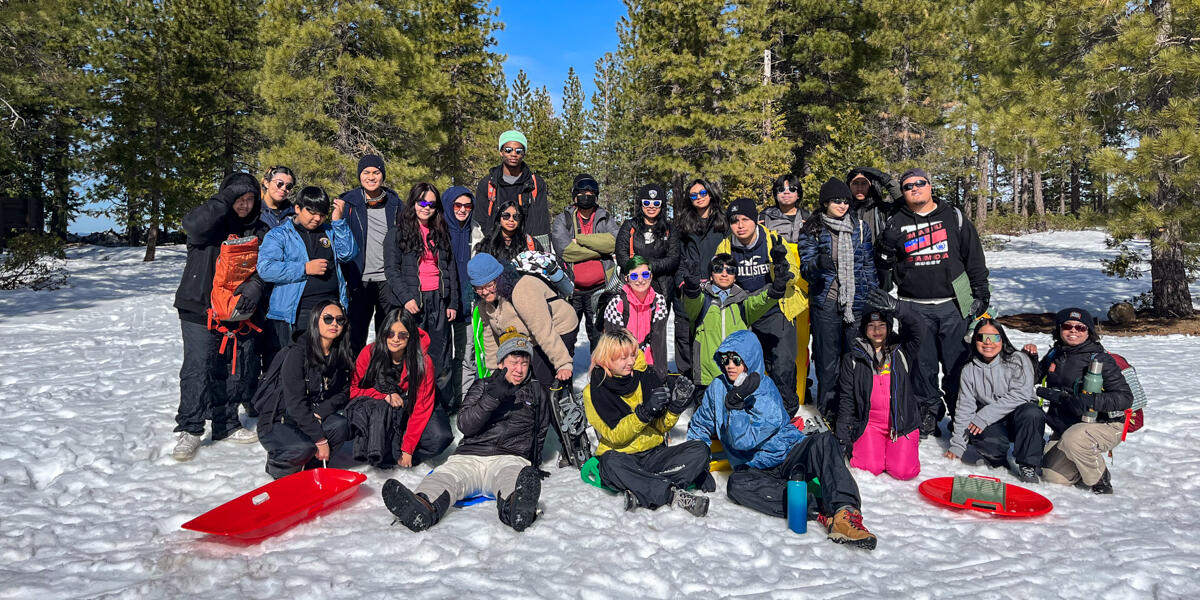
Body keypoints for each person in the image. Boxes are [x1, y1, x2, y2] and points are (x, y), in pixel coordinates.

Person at [687, 330, 877, 550]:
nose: (730, 365)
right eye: (725, 359)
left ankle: (845, 513)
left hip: (787, 454)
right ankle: (819, 509)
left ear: (749, 359)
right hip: (754, 467)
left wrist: (736, 405)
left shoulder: (764, 388)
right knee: (737, 486)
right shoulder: (718, 388)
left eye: (736, 360)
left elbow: (743, 440)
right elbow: (700, 425)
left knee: (825, 441)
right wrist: (698, 463)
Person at [382, 330, 548, 532]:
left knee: (511, 478)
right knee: (446, 477)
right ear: (501, 362)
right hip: (470, 455)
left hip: (510, 456)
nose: (519, 369)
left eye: (524, 363)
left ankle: (518, 509)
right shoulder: (483, 385)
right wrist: (492, 397)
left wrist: (535, 463)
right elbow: (465, 425)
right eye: (514, 362)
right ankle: (421, 507)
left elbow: (540, 428)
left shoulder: (536, 390)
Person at [879, 167, 990, 437]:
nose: (914, 188)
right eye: (907, 186)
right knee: (921, 366)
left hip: (952, 304)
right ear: (903, 193)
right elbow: (884, 269)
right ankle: (928, 412)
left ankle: (960, 414)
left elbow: (973, 258)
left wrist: (981, 293)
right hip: (913, 304)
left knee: (957, 365)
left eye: (920, 183)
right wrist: (885, 248)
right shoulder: (895, 220)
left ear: (930, 186)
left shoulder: (953, 217)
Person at [171, 172, 268, 461]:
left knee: (232, 368)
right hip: (198, 306)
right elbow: (192, 226)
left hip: (236, 309)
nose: (244, 204)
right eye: (238, 198)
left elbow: (266, 264)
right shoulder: (208, 225)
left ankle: (226, 423)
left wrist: (255, 286)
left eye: (249, 199)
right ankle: (191, 428)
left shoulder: (258, 229)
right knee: (197, 368)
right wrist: (225, 198)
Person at [584, 329, 712, 515]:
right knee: (610, 463)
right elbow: (614, 435)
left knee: (700, 450)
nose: (630, 362)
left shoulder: (645, 377)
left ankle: (642, 489)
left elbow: (660, 427)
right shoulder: (593, 391)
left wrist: (675, 407)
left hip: (654, 454)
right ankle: (671, 495)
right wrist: (644, 412)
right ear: (605, 359)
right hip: (623, 457)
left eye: (632, 355)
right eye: (622, 357)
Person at [1024, 308, 1133, 494]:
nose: (1073, 330)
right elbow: (1033, 379)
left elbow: (1125, 398)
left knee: (1074, 439)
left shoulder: (1100, 359)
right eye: (1067, 326)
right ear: (1059, 329)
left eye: (1080, 327)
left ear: (1089, 331)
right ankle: (1081, 459)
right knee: (1054, 478)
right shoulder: (1055, 354)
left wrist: (1089, 401)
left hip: (1105, 425)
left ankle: (1100, 478)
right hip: (1066, 426)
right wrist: (1031, 359)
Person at [716, 197, 807, 416]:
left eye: (745, 219)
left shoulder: (773, 240)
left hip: (776, 309)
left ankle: (788, 410)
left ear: (756, 220)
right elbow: (720, 278)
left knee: (782, 365)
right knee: (745, 365)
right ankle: (752, 408)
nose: (740, 225)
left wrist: (781, 267)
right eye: (735, 220)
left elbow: (793, 276)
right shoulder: (726, 246)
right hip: (745, 311)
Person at [799, 178, 878, 419]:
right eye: (837, 201)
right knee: (827, 360)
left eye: (846, 201)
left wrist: (872, 299)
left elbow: (867, 266)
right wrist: (817, 265)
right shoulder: (812, 229)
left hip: (856, 301)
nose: (842, 205)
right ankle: (828, 411)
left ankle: (852, 407)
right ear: (825, 203)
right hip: (826, 301)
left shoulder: (860, 228)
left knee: (854, 356)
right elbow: (805, 270)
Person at [252, 300, 353, 479]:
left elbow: (344, 392)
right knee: (302, 447)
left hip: (312, 414)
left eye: (340, 320)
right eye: (328, 319)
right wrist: (320, 440)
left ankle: (310, 469)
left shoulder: (340, 353)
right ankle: (280, 469)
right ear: (315, 320)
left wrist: (321, 411)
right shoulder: (297, 354)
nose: (334, 324)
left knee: (340, 425)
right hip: (279, 419)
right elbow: (294, 403)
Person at [384, 182, 460, 409]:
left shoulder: (440, 233)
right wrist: (406, 298)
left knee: (441, 355)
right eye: (422, 202)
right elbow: (391, 270)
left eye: (432, 204)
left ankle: (440, 407)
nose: (426, 208)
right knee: (410, 354)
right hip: (412, 303)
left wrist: (452, 302)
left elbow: (451, 269)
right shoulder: (397, 234)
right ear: (414, 202)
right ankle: (410, 404)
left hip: (438, 299)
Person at [347, 309, 453, 468]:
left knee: (439, 437)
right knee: (380, 455)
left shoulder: (423, 361)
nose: (395, 339)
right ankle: (391, 446)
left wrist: (408, 448)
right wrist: (383, 396)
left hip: (416, 405)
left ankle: (403, 449)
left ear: (410, 336)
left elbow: (422, 406)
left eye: (402, 335)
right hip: (384, 407)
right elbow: (354, 391)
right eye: (390, 333)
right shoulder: (369, 353)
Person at [835, 293, 923, 481]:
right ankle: (871, 447)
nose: (877, 330)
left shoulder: (901, 350)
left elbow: (919, 326)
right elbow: (847, 397)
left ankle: (896, 449)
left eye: (882, 325)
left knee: (904, 472)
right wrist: (843, 432)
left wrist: (898, 307)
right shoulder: (853, 357)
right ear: (864, 328)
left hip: (901, 424)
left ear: (889, 327)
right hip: (870, 424)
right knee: (868, 468)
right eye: (872, 326)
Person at [946, 319, 1044, 483]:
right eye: (982, 338)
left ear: (1003, 339)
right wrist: (957, 445)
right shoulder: (969, 370)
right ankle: (997, 460)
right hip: (994, 421)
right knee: (979, 432)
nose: (988, 343)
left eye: (995, 337)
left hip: (1019, 417)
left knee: (1032, 413)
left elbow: (1021, 395)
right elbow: (965, 407)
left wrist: (983, 416)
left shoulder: (1018, 360)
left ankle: (1028, 465)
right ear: (975, 341)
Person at [467, 253, 578, 392]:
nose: (484, 292)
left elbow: (543, 330)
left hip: (558, 328)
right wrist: (494, 370)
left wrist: (563, 363)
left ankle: (559, 406)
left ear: (499, 279)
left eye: (489, 285)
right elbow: (490, 336)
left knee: (544, 382)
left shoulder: (522, 290)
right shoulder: (484, 304)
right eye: (479, 287)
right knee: (524, 381)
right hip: (529, 336)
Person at [682, 253, 789, 394]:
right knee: (709, 415)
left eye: (730, 270)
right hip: (708, 379)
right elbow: (691, 302)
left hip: (737, 377)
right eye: (718, 269)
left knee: (737, 415)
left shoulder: (742, 302)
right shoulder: (702, 300)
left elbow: (762, 300)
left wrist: (777, 288)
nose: (724, 274)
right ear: (710, 274)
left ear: (735, 276)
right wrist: (691, 287)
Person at [258, 186, 356, 340]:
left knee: (329, 362)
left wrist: (338, 222)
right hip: (297, 312)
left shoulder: (330, 231)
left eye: (322, 215)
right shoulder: (280, 234)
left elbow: (348, 254)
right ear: (297, 208)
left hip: (331, 310)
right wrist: (304, 268)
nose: (317, 219)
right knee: (296, 360)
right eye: (312, 212)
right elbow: (266, 269)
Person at [340, 155, 403, 352]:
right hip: (360, 278)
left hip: (388, 278)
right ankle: (354, 378)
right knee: (355, 335)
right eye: (366, 172)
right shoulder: (348, 203)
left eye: (376, 172)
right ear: (359, 176)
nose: (371, 177)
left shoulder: (394, 203)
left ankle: (383, 377)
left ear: (382, 176)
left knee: (387, 335)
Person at [551, 173, 619, 351]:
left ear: (596, 195)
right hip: (570, 291)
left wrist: (580, 239)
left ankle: (598, 377)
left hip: (600, 289)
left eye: (590, 193)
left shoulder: (605, 217)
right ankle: (564, 378)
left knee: (599, 339)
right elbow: (566, 251)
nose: (586, 196)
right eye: (581, 192)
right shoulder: (562, 219)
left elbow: (614, 242)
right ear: (574, 195)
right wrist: (599, 249)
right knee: (565, 338)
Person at [674, 178, 727, 381]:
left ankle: (715, 382)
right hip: (690, 289)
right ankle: (687, 384)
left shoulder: (724, 223)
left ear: (711, 194)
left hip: (717, 289)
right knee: (686, 339)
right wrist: (683, 283)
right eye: (694, 195)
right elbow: (677, 257)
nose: (699, 198)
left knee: (713, 337)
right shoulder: (683, 226)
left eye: (702, 193)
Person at [443, 185, 484, 409]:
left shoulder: (475, 231)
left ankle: (464, 400)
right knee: (440, 357)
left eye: (467, 206)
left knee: (466, 354)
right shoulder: (438, 228)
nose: (462, 210)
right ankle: (444, 400)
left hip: (468, 303)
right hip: (442, 302)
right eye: (457, 205)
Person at [475, 129, 552, 248]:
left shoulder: (535, 184)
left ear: (523, 153)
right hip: (495, 246)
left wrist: (541, 251)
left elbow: (541, 222)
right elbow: (480, 220)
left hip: (526, 247)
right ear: (501, 152)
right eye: (508, 150)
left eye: (519, 150)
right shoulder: (488, 184)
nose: (513, 154)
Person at [600, 256, 670, 381]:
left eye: (645, 274)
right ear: (626, 279)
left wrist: (661, 373)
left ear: (651, 276)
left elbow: (659, 340)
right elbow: (613, 344)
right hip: (622, 363)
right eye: (634, 276)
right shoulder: (617, 303)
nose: (640, 280)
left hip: (648, 361)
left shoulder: (658, 301)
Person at [614, 184, 679, 300]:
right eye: (647, 203)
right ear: (641, 204)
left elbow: (673, 259)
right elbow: (621, 255)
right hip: (633, 284)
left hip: (662, 288)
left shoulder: (670, 229)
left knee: (658, 318)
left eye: (656, 203)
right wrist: (638, 271)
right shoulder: (629, 226)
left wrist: (648, 267)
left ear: (662, 206)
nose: (651, 207)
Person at [844, 167, 902, 248]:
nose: (859, 188)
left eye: (864, 183)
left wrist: (886, 179)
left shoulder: (881, 209)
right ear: (849, 185)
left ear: (870, 185)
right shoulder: (842, 209)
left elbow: (903, 202)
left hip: (876, 258)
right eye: (855, 183)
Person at [473, 198, 543, 264]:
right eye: (506, 216)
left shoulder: (531, 244)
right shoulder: (487, 244)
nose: (511, 219)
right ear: (499, 218)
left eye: (516, 216)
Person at [759, 174, 809, 244]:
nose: (786, 192)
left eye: (792, 189)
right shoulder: (765, 217)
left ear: (798, 195)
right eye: (781, 189)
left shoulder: (808, 218)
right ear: (776, 195)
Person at [259, 165, 296, 230]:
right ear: (266, 183)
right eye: (279, 183)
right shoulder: (255, 212)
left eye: (289, 186)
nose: (283, 188)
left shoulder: (295, 213)